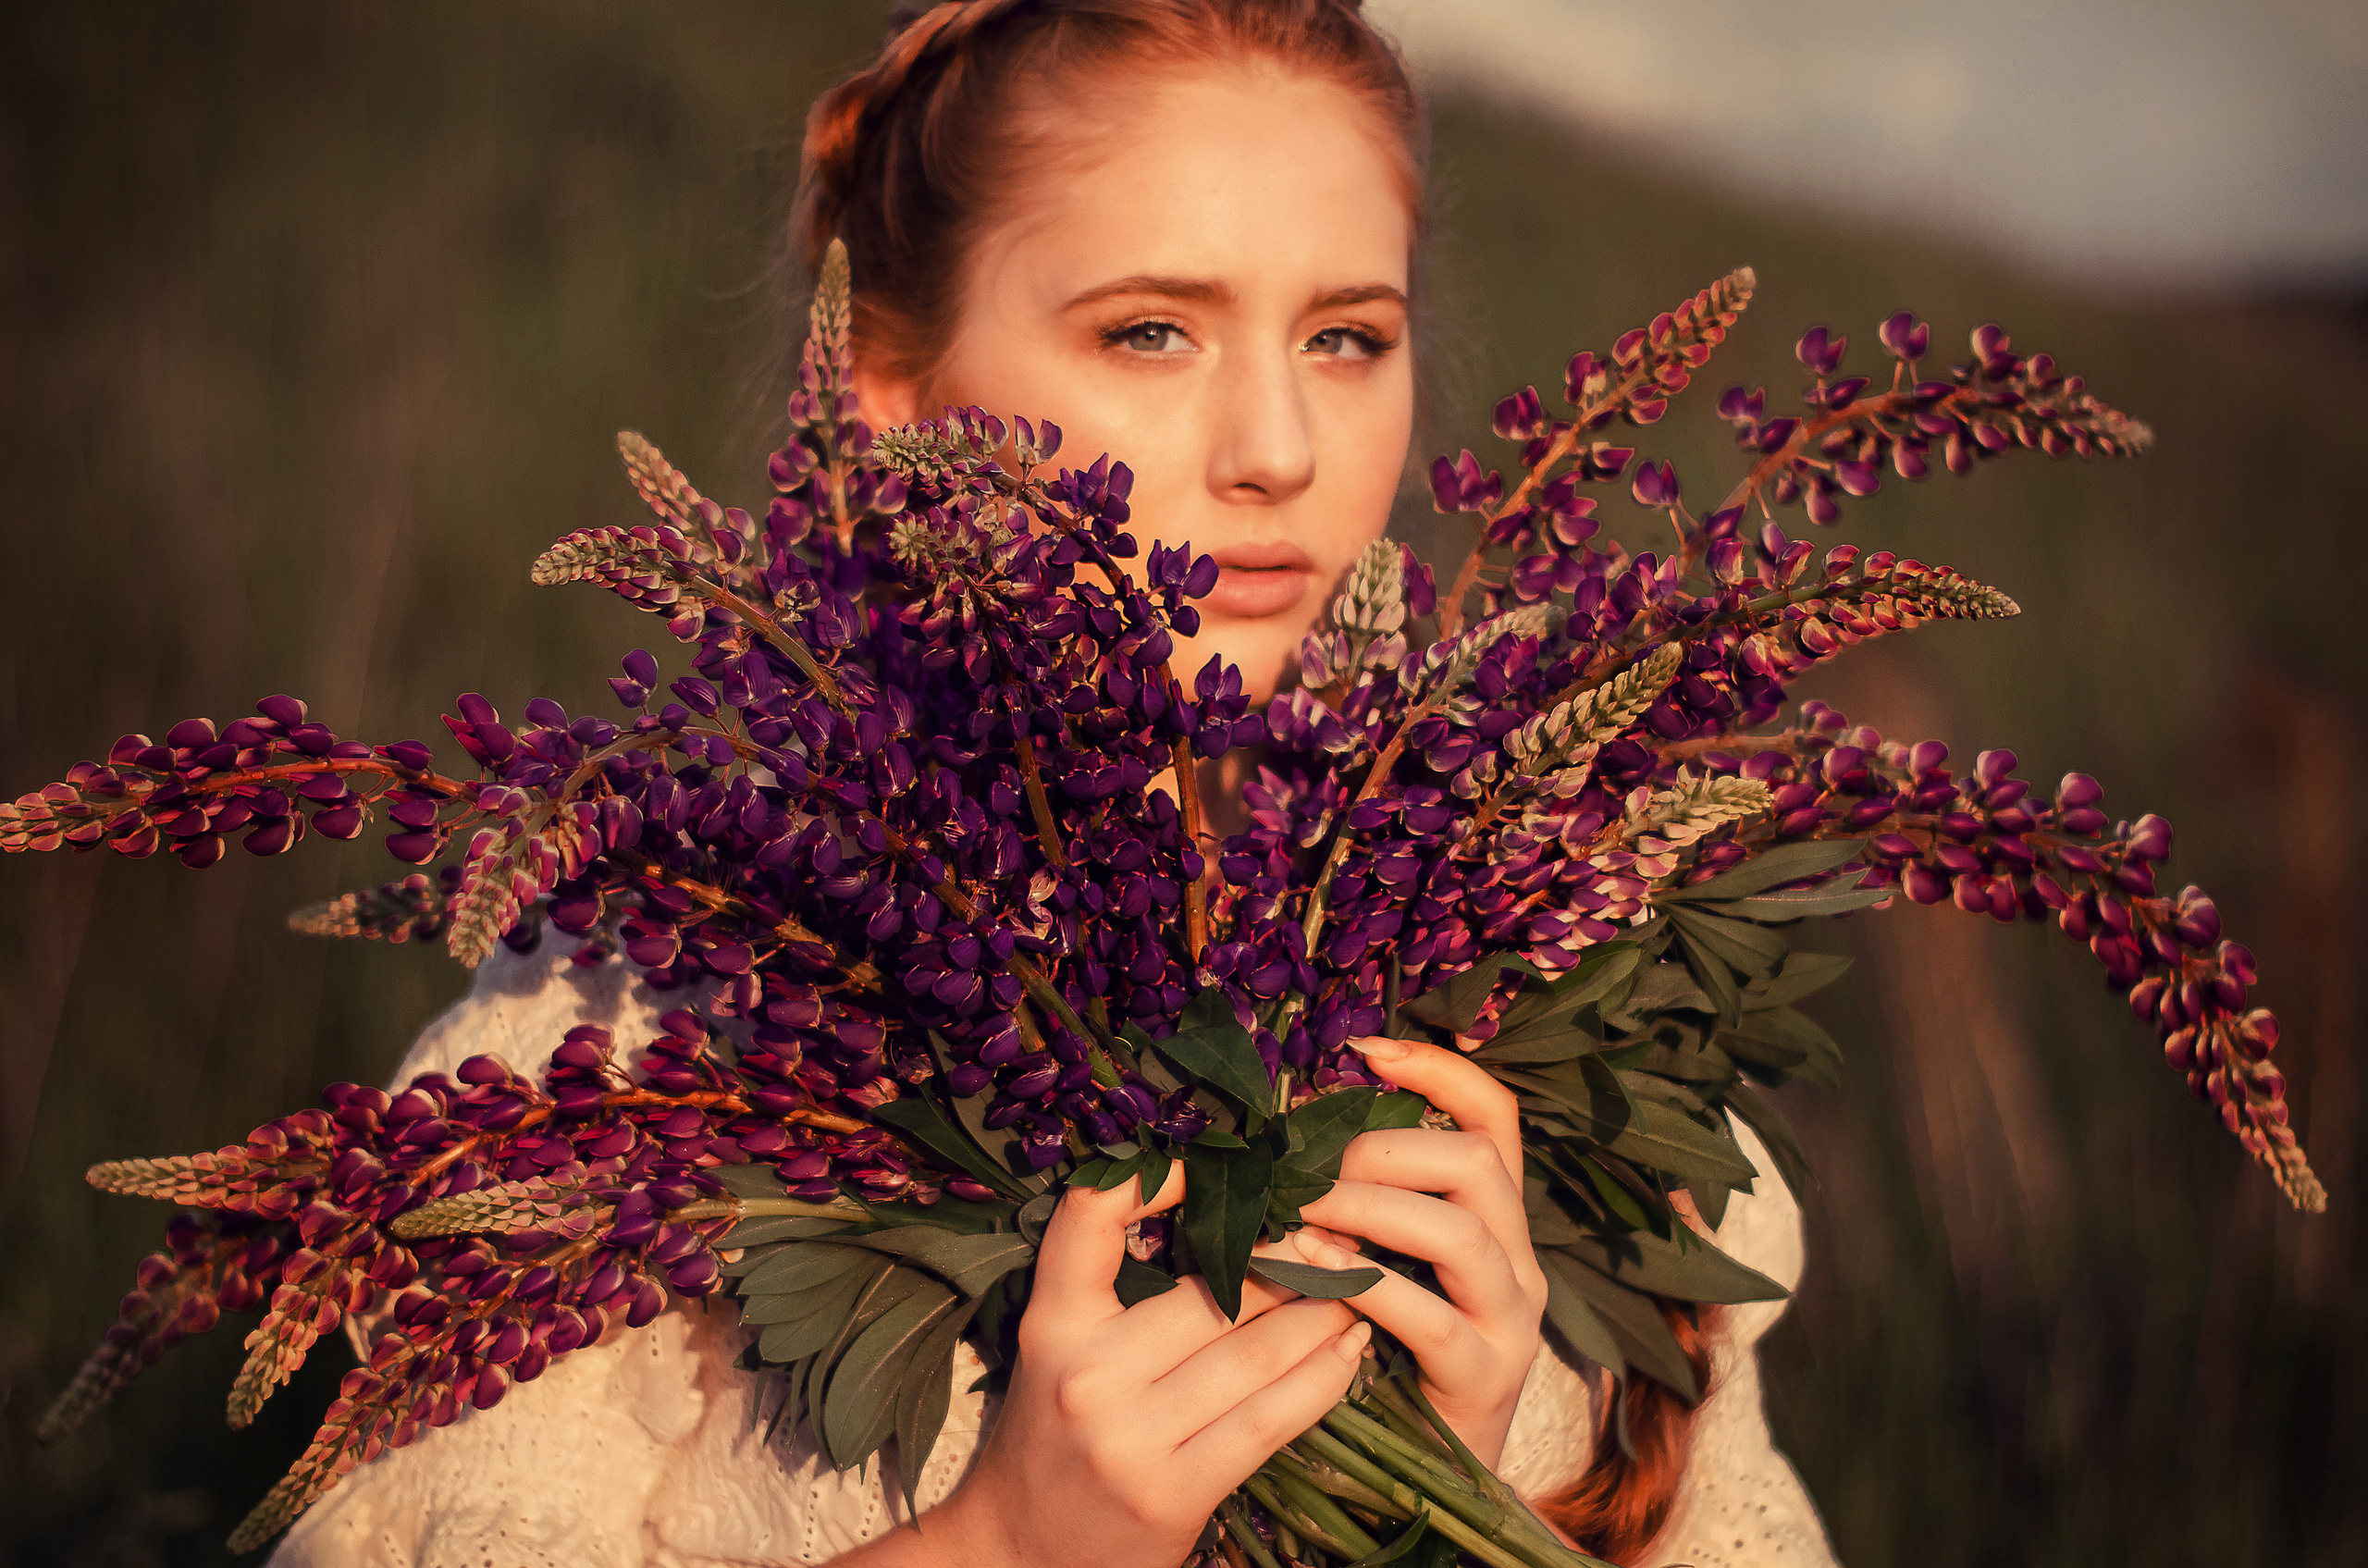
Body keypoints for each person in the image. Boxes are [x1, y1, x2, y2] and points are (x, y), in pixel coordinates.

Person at [269, 4, 1836, 1565]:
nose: (1280, 449)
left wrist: (1448, 1508)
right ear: (878, 390)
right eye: (1151, 330)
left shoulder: (1574, 980)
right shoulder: (627, 1034)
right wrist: (1005, 1547)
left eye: (1347, 336)